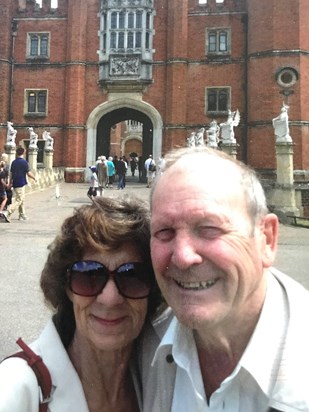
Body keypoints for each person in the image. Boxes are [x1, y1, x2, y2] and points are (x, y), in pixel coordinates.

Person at [142, 146, 309, 411]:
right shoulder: (141, 344)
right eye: (164, 231)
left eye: (209, 229)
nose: (183, 256)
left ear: (267, 238)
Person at [0, 196, 161, 411]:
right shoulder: (15, 387)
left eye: (132, 276)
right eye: (89, 275)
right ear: (66, 287)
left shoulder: (164, 379)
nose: (110, 298)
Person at [6, 146, 36, 222]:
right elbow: (28, 173)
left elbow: (11, 174)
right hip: (21, 182)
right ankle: (8, 211)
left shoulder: (13, 162)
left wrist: (10, 183)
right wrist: (34, 178)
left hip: (15, 183)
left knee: (22, 199)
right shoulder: (24, 162)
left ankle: (22, 214)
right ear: (23, 152)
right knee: (19, 199)